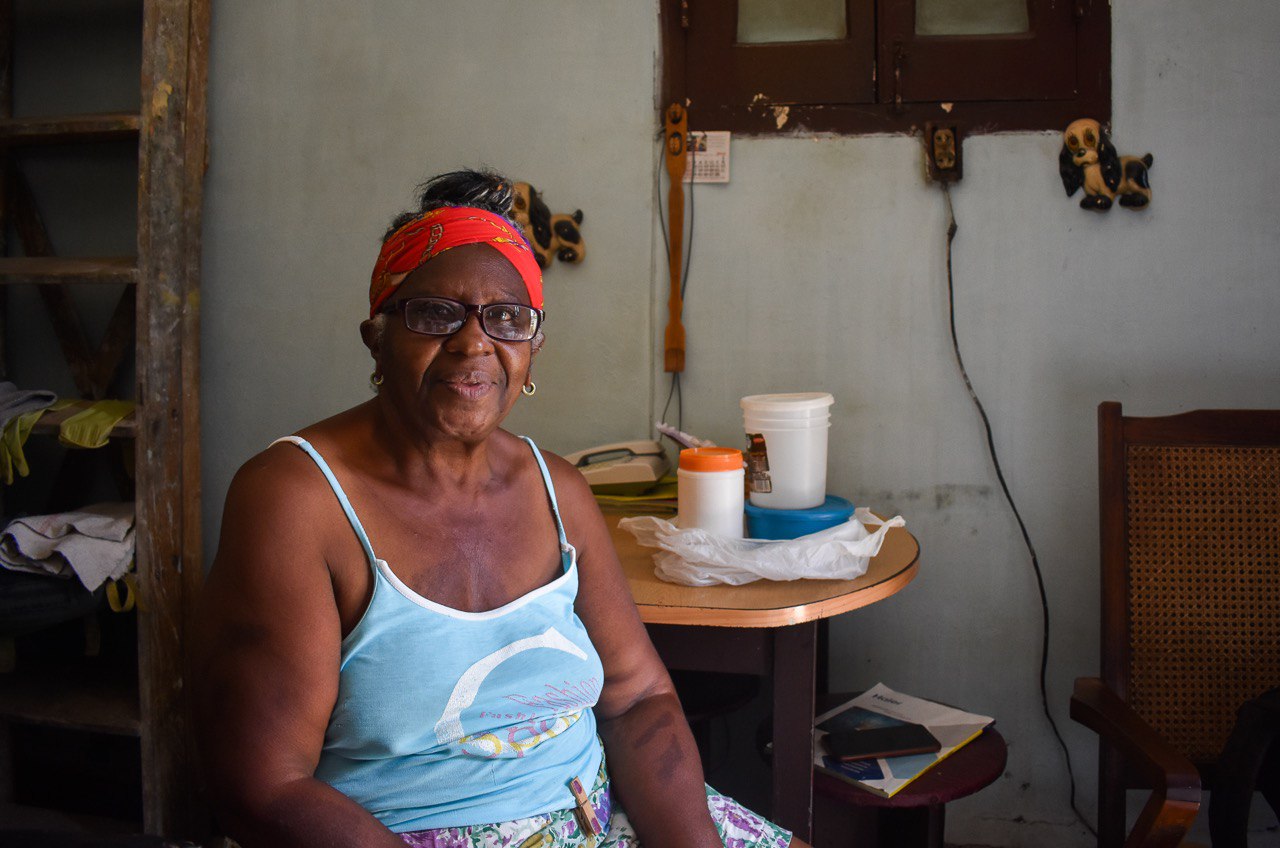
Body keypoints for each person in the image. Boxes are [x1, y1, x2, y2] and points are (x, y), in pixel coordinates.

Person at [191, 170, 800, 848]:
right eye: (433, 314)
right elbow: (264, 785)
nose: (473, 343)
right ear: (377, 338)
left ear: (532, 351)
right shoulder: (296, 500)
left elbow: (636, 699)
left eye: (506, 319)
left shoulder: (557, 489)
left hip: (599, 815)